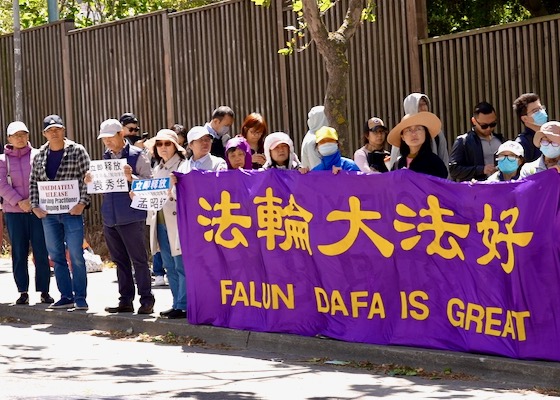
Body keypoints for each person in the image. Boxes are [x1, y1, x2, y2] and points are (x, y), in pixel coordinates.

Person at [86, 119, 155, 315]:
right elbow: (104, 187)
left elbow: (149, 183)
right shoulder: (105, 157)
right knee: (120, 260)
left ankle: (146, 299)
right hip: (110, 217)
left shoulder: (137, 155)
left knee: (139, 260)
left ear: (121, 135)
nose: (106, 142)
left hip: (132, 215)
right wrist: (91, 181)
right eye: (103, 139)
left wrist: (132, 178)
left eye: (109, 138)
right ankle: (125, 300)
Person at [29, 115, 91, 310]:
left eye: (57, 129)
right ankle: (66, 296)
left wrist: (83, 203)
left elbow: (88, 178)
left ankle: (80, 296)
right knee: (56, 256)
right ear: (44, 134)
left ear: (64, 130)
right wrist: (34, 206)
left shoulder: (77, 150)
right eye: (50, 130)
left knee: (76, 255)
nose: (54, 133)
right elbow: (33, 182)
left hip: (73, 212)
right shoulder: (39, 155)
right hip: (48, 215)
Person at [0, 121, 52, 305]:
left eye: (23, 134)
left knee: (41, 250)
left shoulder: (39, 155)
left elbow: (45, 179)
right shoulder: (2, 160)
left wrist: (32, 201)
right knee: (19, 251)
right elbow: (1, 184)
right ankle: (22, 291)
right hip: (14, 212)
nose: (20, 138)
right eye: (16, 135)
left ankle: (44, 291)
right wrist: (18, 202)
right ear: (9, 138)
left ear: (29, 135)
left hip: (37, 210)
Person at [144, 129, 188, 319]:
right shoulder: (157, 168)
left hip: (177, 222)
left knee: (181, 265)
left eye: (167, 143)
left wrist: (174, 189)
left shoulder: (184, 166)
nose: (163, 147)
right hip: (160, 222)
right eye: (159, 144)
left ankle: (184, 304)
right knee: (169, 265)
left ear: (175, 146)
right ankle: (176, 302)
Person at [389, 93, 449, 173]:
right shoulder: (399, 163)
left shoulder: (435, 162)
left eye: (425, 104)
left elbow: (444, 156)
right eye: (419, 105)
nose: (423, 108)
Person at [449, 102, 505, 182]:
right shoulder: (464, 141)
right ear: (474, 121)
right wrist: (481, 170)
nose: (489, 128)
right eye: (484, 126)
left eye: (493, 124)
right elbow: (453, 170)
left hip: (500, 187)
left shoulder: (500, 140)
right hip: (476, 189)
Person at [387, 112, 448, 179]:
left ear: (425, 133)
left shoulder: (435, 162)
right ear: (402, 137)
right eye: (409, 130)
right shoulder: (398, 164)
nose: (414, 134)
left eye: (418, 129)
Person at [513, 93, 548, 162]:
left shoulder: (553, 134)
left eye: (541, 108)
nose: (541, 112)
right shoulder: (522, 143)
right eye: (535, 111)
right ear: (525, 119)